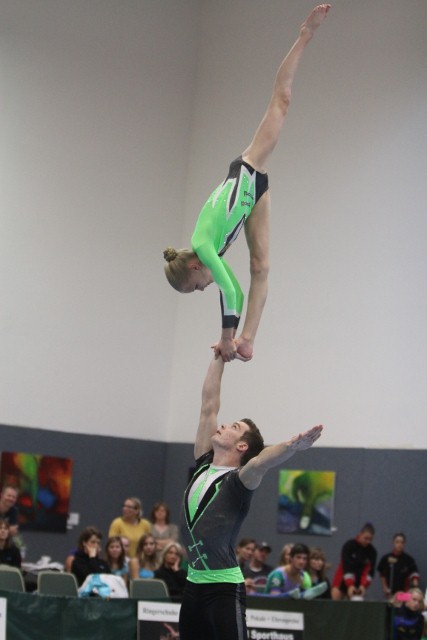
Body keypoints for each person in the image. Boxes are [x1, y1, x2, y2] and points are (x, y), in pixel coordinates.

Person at [164, 4, 331, 364]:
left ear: (194, 268)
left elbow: (227, 290)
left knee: (281, 102)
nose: (202, 289)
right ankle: (250, 340)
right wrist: (232, 340)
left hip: (248, 169)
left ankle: (305, 36)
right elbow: (235, 292)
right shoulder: (209, 253)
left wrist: (226, 337)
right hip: (254, 197)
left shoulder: (203, 245)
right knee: (260, 266)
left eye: (195, 288)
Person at [178, 354, 323, 640]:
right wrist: (219, 356)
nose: (223, 425)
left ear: (242, 446)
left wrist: (292, 445)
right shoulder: (203, 460)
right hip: (193, 586)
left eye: (233, 427)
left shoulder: (239, 481)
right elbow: (208, 405)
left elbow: (262, 461)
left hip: (223, 590)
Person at [331, 523, 377, 601]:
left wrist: (363, 586)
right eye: (366, 538)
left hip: (359, 584)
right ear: (360, 534)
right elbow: (347, 566)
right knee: (335, 605)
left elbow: (369, 572)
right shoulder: (349, 545)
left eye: (370, 539)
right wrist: (350, 585)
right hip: (342, 579)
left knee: (356, 606)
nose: (368, 541)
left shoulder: (372, 552)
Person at [378, 533, 420, 599]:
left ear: (404, 544)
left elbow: (414, 574)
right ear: (393, 543)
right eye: (397, 542)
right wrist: (385, 587)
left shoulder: (409, 560)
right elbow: (382, 574)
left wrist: (415, 584)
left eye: (402, 542)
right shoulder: (385, 558)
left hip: (404, 593)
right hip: (390, 594)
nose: (399, 544)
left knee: (401, 604)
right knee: (391, 604)